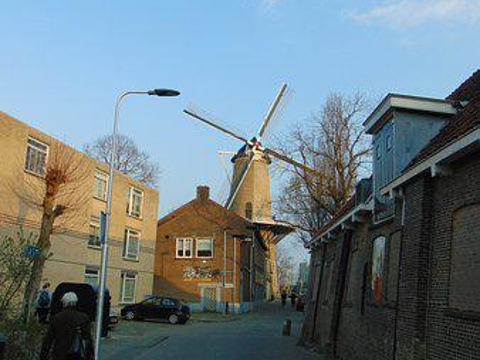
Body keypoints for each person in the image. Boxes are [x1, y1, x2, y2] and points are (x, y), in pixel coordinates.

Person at [40, 292, 94, 360]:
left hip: (59, 355)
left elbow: (48, 340)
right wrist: (90, 356)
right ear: (75, 302)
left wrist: (43, 356)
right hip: (77, 355)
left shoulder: (57, 318)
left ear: (64, 302)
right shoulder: (83, 317)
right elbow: (88, 340)